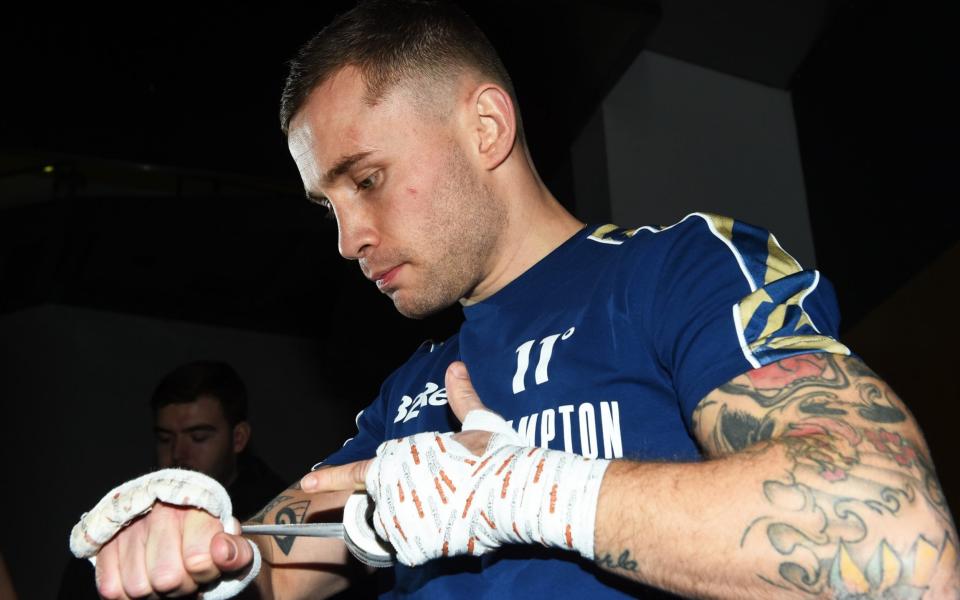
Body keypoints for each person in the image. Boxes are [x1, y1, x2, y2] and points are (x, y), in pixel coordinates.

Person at [81, 1, 960, 598]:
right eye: (329, 206)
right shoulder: (411, 396)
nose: (347, 240)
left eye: (369, 179)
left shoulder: (679, 274)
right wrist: (197, 546)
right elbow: (273, 563)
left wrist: (536, 493)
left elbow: (897, 546)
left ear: (487, 128)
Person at [61, 360, 286, 599]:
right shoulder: (124, 521)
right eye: (165, 439)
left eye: (198, 437)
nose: (178, 452)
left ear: (238, 439)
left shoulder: (278, 505)